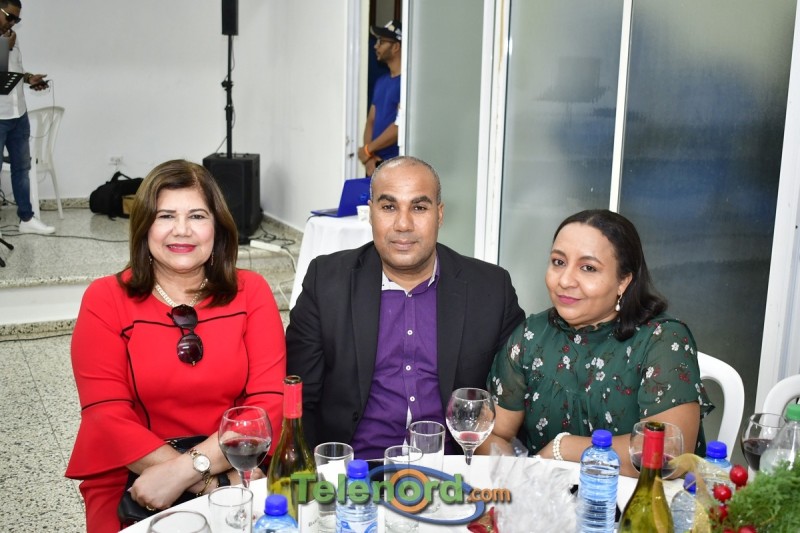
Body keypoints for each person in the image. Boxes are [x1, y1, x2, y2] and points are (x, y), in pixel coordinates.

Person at [65, 160, 286, 532]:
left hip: (235, 462)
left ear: (218, 227)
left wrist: (187, 471)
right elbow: (106, 416)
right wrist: (208, 484)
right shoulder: (105, 299)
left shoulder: (252, 292)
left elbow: (268, 405)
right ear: (144, 226)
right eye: (166, 216)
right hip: (132, 473)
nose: (182, 230)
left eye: (197, 216)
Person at [286, 156, 525, 459]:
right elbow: (300, 397)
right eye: (389, 207)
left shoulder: (490, 289)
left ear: (439, 214)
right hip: (356, 470)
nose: (403, 224)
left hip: (453, 470)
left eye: (419, 208)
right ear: (371, 213)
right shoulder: (327, 283)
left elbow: (512, 400)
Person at [479, 209, 713, 476]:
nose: (565, 280)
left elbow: (666, 454)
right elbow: (493, 434)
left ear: (623, 281)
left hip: (646, 499)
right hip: (554, 497)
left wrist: (564, 448)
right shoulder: (531, 336)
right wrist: (518, 477)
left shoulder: (662, 339)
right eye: (558, 262)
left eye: (588, 268)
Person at [0, 0, 53, 234]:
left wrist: (29, 79)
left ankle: (26, 219)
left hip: (18, 113)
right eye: (9, 16)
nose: (12, 22)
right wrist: (4, 47)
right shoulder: (6, 41)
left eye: (16, 19)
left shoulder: (11, 37)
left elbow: (13, 71)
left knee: (22, 168)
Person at [358, 20, 402, 177]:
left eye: (382, 42)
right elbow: (371, 120)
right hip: (376, 163)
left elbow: (399, 127)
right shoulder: (381, 82)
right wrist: (369, 157)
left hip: (396, 165)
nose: (376, 46)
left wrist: (368, 150)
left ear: (395, 47)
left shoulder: (407, 84)